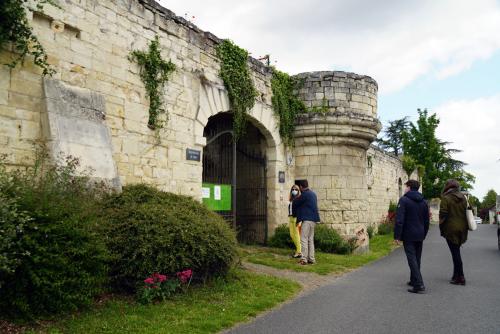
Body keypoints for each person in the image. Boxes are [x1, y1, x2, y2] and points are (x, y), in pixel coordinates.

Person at [394, 179, 430, 294]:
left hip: (408, 234)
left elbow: (399, 220)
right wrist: (424, 233)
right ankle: (414, 280)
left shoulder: (404, 200)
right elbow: (426, 221)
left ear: (409, 187)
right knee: (417, 258)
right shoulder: (424, 202)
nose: (404, 188)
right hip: (420, 233)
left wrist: (397, 236)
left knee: (411, 258)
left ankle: (419, 284)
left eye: (405, 186)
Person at [439, 179, 468, 286]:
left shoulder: (446, 198)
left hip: (451, 229)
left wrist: (441, 226)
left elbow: (443, 214)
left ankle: (461, 277)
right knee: (456, 252)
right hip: (462, 228)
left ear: (448, 187)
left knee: (455, 253)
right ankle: (455, 275)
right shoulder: (464, 198)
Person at [292, 179, 320, 265]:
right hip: (314, 220)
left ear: (301, 187)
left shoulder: (304, 195)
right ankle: (311, 259)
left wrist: (295, 198)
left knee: (303, 239)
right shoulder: (313, 194)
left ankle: (304, 259)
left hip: (307, 220)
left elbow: (295, 202)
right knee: (310, 240)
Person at [288, 185, 302, 258]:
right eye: (293, 189)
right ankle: (299, 250)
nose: (294, 190)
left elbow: (300, 210)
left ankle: (299, 251)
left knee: (296, 235)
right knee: (292, 235)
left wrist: (299, 220)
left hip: (296, 218)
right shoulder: (291, 199)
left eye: (296, 189)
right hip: (290, 217)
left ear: (298, 190)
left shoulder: (299, 198)